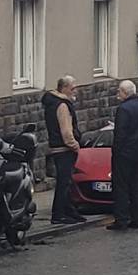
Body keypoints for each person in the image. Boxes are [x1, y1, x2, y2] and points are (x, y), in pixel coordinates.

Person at [40, 76, 84, 225]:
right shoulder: (62, 106)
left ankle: (69, 211)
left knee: (67, 182)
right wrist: (74, 145)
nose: (75, 91)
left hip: (58, 147)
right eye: (73, 88)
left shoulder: (52, 103)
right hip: (64, 148)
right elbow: (66, 131)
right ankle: (58, 214)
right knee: (64, 182)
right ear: (64, 88)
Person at [109, 79, 138, 230]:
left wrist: (115, 152)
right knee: (136, 186)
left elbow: (120, 134)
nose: (118, 94)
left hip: (124, 154)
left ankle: (121, 219)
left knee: (121, 187)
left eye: (119, 91)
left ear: (125, 92)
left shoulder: (124, 109)